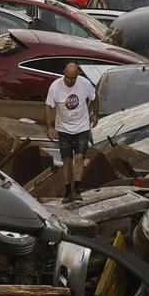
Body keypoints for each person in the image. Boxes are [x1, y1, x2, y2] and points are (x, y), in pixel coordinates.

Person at [45, 62, 98, 202]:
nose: (69, 81)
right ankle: (68, 191)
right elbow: (48, 107)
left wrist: (95, 114)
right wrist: (50, 127)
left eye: (72, 78)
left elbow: (94, 97)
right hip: (63, 128)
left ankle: (78, 187)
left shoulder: (85, 84)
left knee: (79, 157)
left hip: (81, 127)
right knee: (67, 160)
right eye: (67, 77)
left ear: (77, 76)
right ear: (63, 73)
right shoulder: (55, 87)